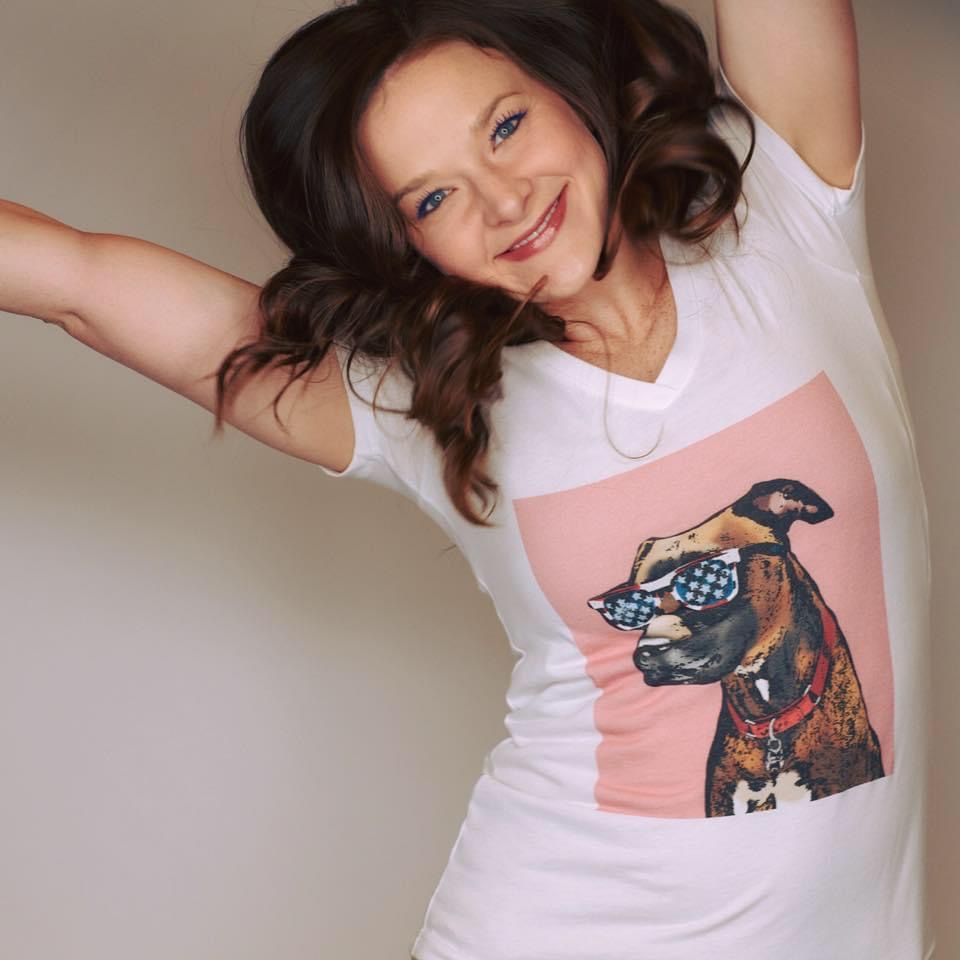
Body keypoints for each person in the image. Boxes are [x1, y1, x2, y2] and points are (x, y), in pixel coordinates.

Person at [0, 1, 936, 957]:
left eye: (506, 126)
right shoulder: (422, 403)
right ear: (403, 241)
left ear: (572, 87)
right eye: (432, 199)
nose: (505, 202)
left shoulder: (783, 207)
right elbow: (78, 284)